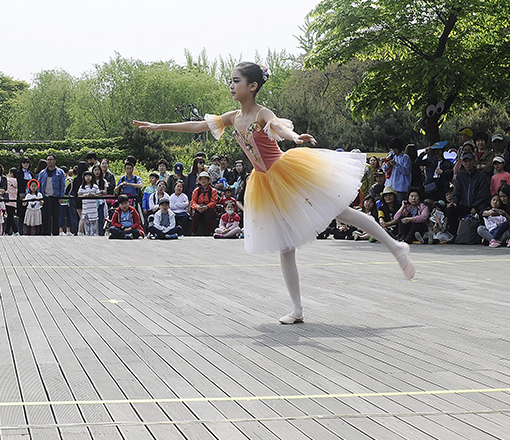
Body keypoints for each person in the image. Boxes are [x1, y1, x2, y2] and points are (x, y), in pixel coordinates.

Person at [133, 61, 413, 325]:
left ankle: (395, 246)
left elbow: (278, 126)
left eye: (236, 81)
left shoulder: (261, 113)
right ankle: (298, 309)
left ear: (252, 86)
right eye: (230, 81)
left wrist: (295, 137)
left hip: (286, 172)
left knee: (341, 211)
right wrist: (158, 126)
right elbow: (198, 126)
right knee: (286, 246)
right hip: (264, 181)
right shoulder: (233, 117)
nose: (231, 86)